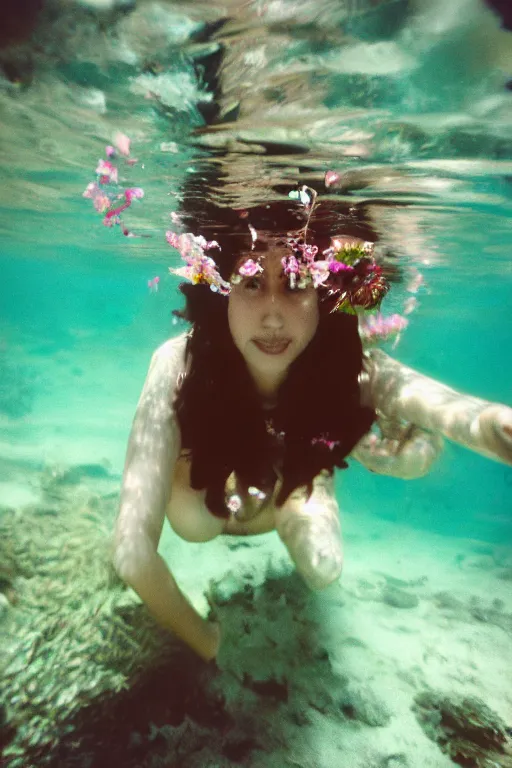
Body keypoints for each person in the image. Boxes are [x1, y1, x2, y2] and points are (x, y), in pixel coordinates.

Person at [112, 195, 512, 662]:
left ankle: (308, 484)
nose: (274, 315)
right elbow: (132, 553)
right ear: (221, 289)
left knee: (324, 566)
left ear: (322, 295)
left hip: (285, 486)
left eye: (297, 283)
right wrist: (210, 644)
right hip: (207, 499)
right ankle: (298, 488)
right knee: (194, 520)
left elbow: (461, 413)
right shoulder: (177, 364)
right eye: (252, 282)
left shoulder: (349, 364)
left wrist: (485, 431)